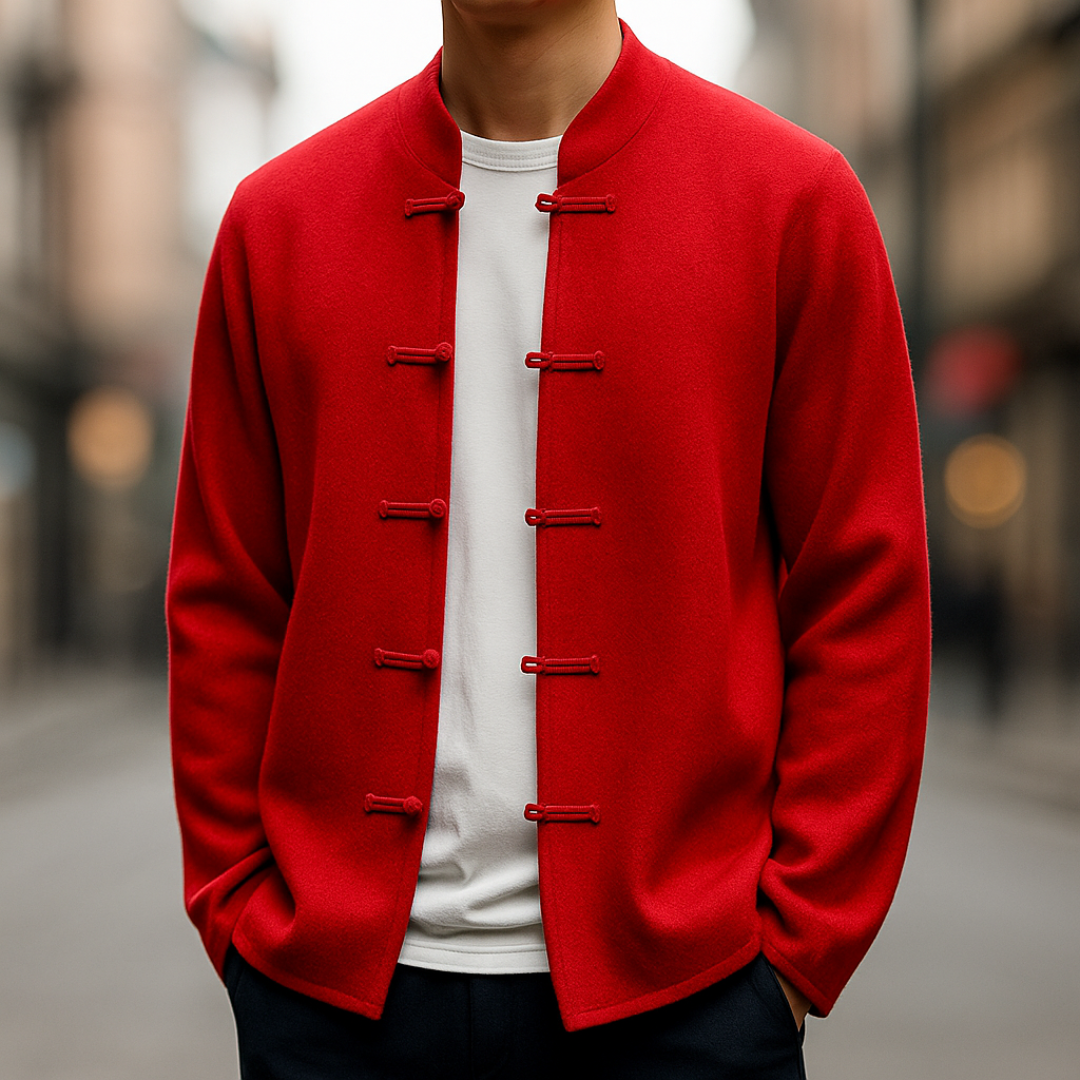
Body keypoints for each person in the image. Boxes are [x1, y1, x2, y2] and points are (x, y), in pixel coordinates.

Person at [167, 2, 931, 1077]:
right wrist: (238, 910)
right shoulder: (276, 220)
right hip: (331, 1002)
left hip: (689, 999)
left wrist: (797, 954)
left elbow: (866, 586)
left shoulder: (790, 199)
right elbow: (225, 598)